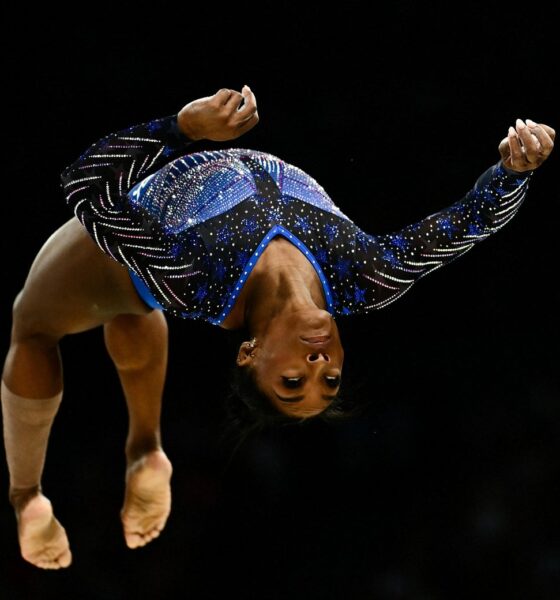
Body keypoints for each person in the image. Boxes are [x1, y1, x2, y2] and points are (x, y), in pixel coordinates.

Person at [1, 85, 554, 570]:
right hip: (154, 272)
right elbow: (468, 223)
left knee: (34, 326)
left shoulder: (194, 277)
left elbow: (83, 185)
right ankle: (146, 450)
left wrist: (182, 127)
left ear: (249, 354)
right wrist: (513, 171)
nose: (319, 367)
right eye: (331, 381)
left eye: (292, 383)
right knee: (133, 314)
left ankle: (26, 497)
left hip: (138, 237)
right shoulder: (366, 276)